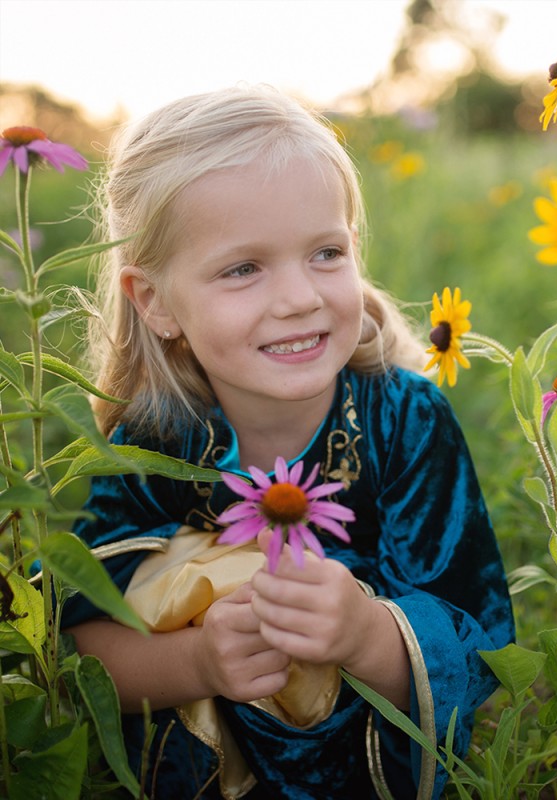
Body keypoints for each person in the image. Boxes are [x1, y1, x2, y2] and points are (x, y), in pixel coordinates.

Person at [63, 84, 515, 800]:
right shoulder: (156, 440)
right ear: (155, 302)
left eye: (325, 253)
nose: (300, 297)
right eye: (244, 268)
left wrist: (369, 636)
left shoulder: (403, 418)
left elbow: (482, 640)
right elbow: (81, 647)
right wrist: (201, 662)